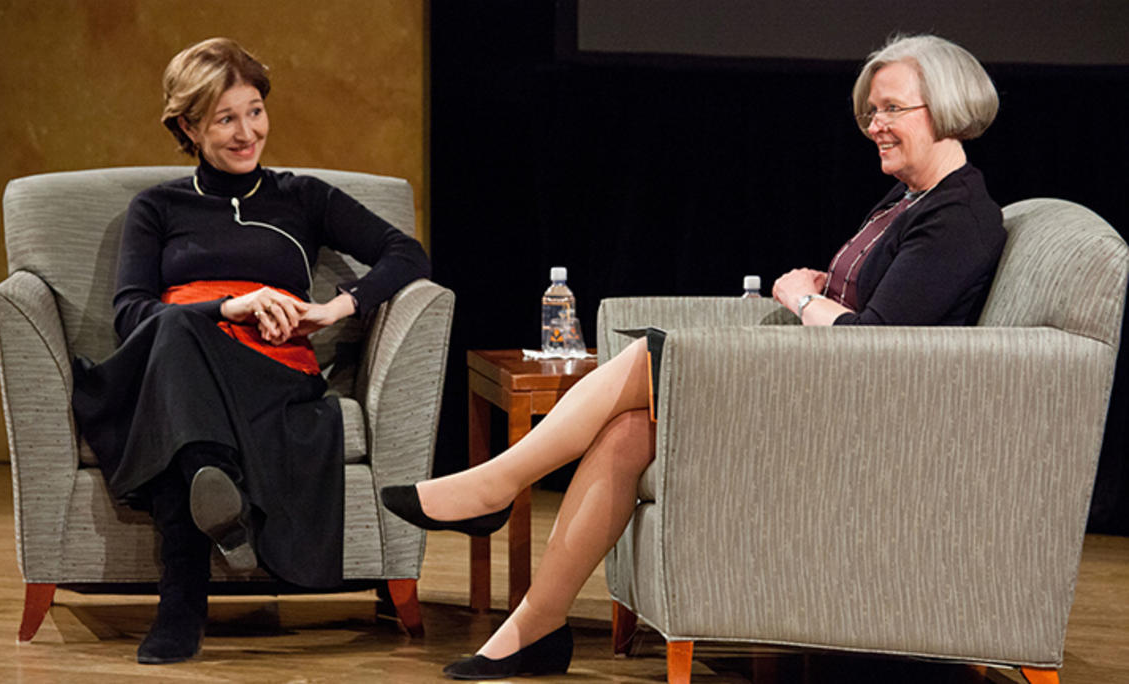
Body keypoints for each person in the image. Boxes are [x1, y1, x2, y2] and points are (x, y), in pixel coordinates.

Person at [381, 33, 1005, 679]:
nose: (875, 125)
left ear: (947, 107)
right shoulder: (911, 197)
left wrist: (799, 298)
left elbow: (876, 347)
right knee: (629, 428)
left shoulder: (959, 215)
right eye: (871, 111)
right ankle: (536, 626)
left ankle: (497, 485)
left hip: (859, 431)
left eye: (892, 109)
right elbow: (886, 304)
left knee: (656, 357)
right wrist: (825, 290)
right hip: (829, 397)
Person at [71, 37, 430, 664]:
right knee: (180, 332)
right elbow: (132, 313)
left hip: (271, 371)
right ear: (187, 125)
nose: (247, 132)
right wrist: (225, 308)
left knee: (181, 356)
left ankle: (184, 599)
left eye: (255, 110)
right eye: (225, 118)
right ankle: (215, 496)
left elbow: (407, 254)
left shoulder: (304, 197)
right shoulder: (157, 206)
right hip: (179, 359)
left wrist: (338, 305)